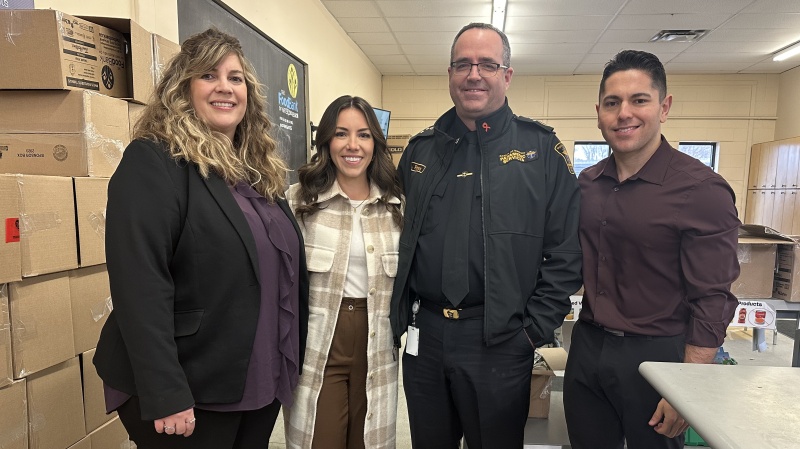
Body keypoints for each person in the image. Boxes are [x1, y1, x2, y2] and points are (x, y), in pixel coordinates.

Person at [93, 28, 309, 448]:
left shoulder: (258, 173)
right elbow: (140, 284)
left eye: (235, 77)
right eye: (209, 75)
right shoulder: (155, 162)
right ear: (183, 87)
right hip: (190, 386)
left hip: (257, 379)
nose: (225, 87)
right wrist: (166, 392)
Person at [389, 23, 583, 448]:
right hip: (427, 335)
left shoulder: (541, 151)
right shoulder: (421, 152)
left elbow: (567, 252)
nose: (474, 74)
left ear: (507, 75)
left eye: (487, 65)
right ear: (450, 74)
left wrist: (533, 330)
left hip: (500, 339)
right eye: (463, 64)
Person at [563, 50, 741, 449]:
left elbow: (713, 297)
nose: (624, 113)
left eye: (639, 100)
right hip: (587, 346)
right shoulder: (586, 185)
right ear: (599, 112)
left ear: (664, 107)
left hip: (659, 356)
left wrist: (688, 387)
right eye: (613, 103)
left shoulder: (701, 190)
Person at [284, 95, 404, 449]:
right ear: (326, 141)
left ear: (375, 143)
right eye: (341, 134)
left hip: (377, 343)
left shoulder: (397, 206)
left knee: (369, 441)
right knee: (318, 440)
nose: (353, 145)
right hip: (319, 344)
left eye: (364, 135)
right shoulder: (298, 202)